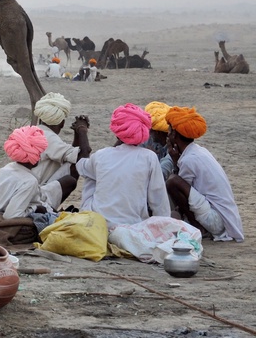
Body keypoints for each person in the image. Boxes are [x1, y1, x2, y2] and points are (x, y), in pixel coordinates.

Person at [76, 104, 170, 229]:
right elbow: (159, 201)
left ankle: (90, 212)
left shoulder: (101, 155)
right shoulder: (149, 157)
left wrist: (81, 131)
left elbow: (81, 166)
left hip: (99, 224)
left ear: (116, 133)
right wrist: (164, 226)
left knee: (91, 174)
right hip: (133, 226)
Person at [164, 106, 244, 242]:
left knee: (172, 182)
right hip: (222, 217)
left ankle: (197, 227)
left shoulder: (189, 159)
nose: (168, 134)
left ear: (174, 135)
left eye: (170, 130)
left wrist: (175, 160)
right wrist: (176, 159)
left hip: (217, 221)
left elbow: (180, 190)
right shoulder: (199, 151)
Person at [0, 126, 69, 232]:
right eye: (39, 153)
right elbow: (12, 215)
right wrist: (36, 209)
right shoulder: (29, 182)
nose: (40, 156)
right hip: (18, 223)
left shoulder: (6, 169)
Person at [31, 93, 91, 202]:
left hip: (28, 189)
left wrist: (77, 134)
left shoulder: (35, 131)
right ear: (62, 123)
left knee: (73, 159)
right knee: (74, 169)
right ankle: (48, 207)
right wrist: (82, 130)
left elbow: (74, 154)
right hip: (36, 195)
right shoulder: (49, 138)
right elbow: (83, 156)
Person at [141, 101, 175, 179]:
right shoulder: (147, 139)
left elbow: (160, 176)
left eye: (150, 130)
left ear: (157, 132)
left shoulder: (174, 149)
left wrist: (150, 158)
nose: (148, 132)